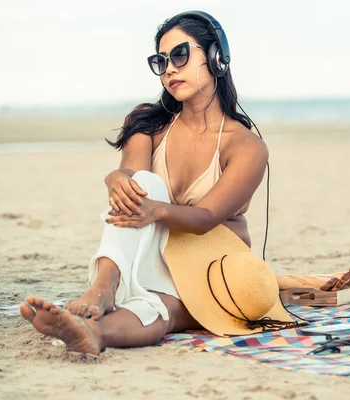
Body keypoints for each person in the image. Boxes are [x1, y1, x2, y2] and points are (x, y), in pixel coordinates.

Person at [19, 11, 278, 355]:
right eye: (161, 61)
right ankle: (101, 294)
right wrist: (116, 178)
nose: (169, 68)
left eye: (180, 55)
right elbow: (131, 176)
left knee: (163, 309)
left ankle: (97, 331)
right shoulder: (149, 124)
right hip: (151, 253)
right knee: (143, 183)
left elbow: (205, 219)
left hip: (214, 269)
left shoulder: (246, 146)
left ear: (216, 58)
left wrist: (154, 210)